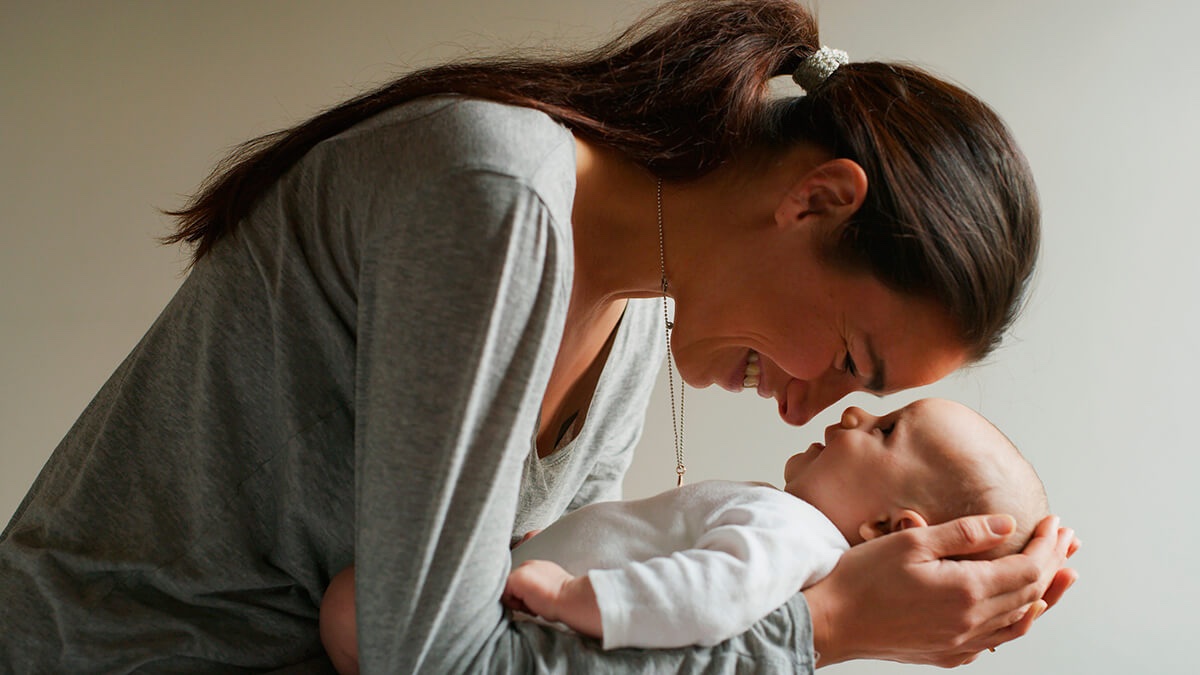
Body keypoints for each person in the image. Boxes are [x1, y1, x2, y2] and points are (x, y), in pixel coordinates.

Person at [0, 1, 1077, 672]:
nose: (802, 407)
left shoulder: (639, 331)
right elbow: (435, 664)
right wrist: (822, 631)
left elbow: (530, 644)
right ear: (816, 202)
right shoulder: (493, 199)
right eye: (849, 357)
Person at [317, 398, 1052, 672]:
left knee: (351, 606)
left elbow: (704, 597)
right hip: (525, 596)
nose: (854, 412)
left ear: (892, 527)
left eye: (887, 429)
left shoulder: (790, 534)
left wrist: (575, 592)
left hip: (526, 613)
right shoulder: (790, 533)